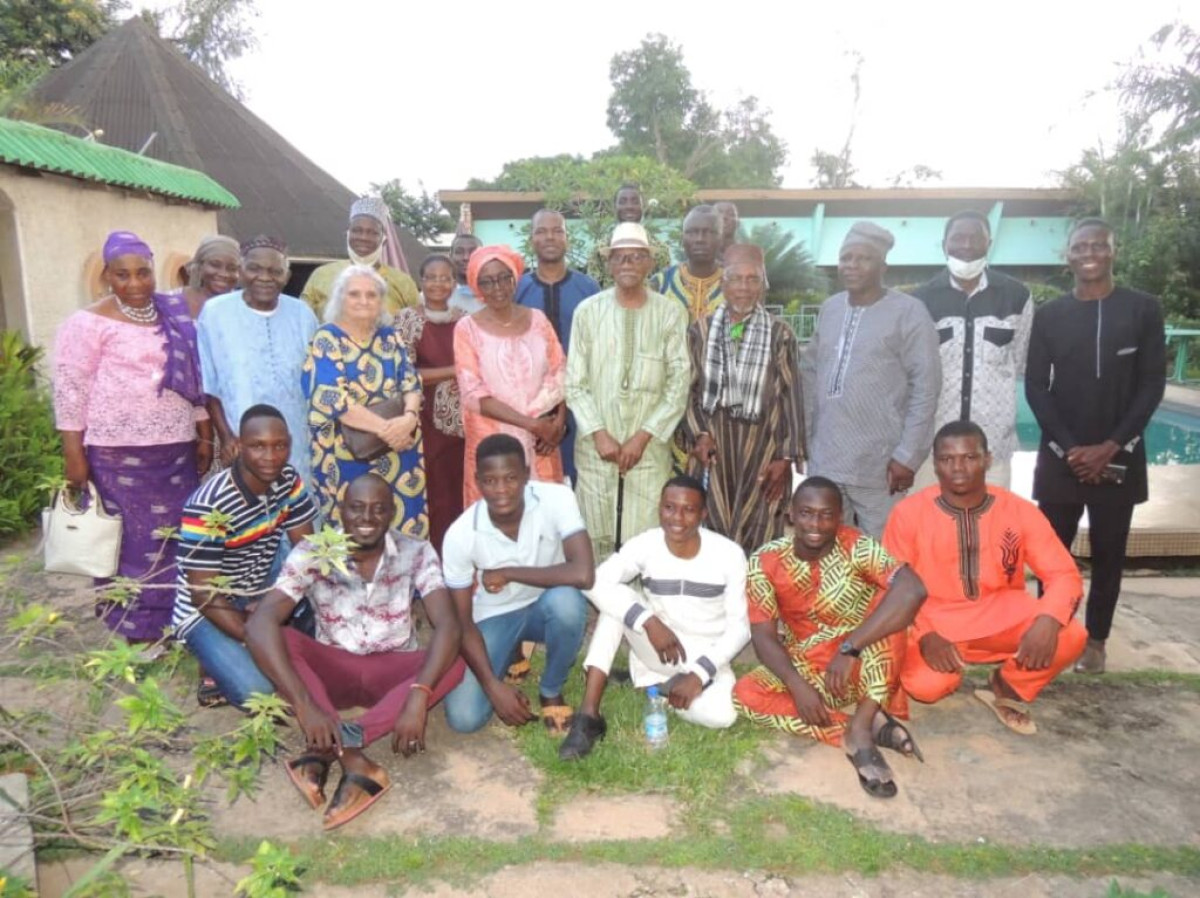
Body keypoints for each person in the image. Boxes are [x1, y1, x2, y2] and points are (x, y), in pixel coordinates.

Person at [245, 473, 465, 830]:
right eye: (357, 508)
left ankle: (340, 742)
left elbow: (449, 625)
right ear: (341, 511)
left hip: (391, 670)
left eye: (379, 510)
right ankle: (356, 763)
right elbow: (260, 623)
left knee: (455, 656)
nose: (367, 518)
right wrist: (305, 707)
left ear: (392, 513)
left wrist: (418, 696)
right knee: (280, 639)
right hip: (334, 671)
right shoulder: (314, 551)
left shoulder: (415, 550)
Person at [53, 230, 211, 643]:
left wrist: (205, 434)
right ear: (107, 276)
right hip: (115, 455)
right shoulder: (86, 323)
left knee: (178, 538)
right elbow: (70, 394)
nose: (136, 284)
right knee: (128, 543)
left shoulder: (174, 315)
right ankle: (134, 633)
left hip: (176, 450)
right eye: (123, 275)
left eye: (144, 273)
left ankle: (177, 624)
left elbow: (192, 380)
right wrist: (75, 457)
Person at [884, 421, 1088, 734]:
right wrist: (925, 634)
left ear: (988, 459)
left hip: (1002, 613)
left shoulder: (1018, 510)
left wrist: (1048, 619)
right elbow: (893, 583)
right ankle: (946, 667)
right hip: (936, 621)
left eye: (969, 457)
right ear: (935, 463)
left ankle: (1007, 686)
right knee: (927, 687)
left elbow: (1063, 574)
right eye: (947, 459)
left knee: (1070, 635)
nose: (958, 468)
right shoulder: (908, 513)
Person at [1026, 219, 1166, 674]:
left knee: (1109, 554)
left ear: (1113, 251)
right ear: (1068, 255)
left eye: (1099, 245)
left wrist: (1111, 445)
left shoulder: (1143, 309)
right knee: (1051, 557)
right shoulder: (1049, 315)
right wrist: (1070, 449)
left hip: (1119, 458)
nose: (1090, 252)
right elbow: (1035, 388)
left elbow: (1151, 386)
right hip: (1060, 458)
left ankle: (1096, 641)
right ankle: (1053, 634)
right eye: (1080, 246)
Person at [733, 477, 927, 799]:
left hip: (860, 664)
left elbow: (913, 590)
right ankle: (851, 729)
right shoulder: (765, 561)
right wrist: (797, 686)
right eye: (807, 513)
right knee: (745, 694)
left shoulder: (856, 546)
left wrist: (851, 648)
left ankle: (863, 728)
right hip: (810, 669)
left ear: (840, 518)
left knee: (890, 616)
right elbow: (764, 637)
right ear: (790, 514)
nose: (816, 524)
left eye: (826, 515)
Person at [560, 476, 749, 760]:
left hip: (705, 655)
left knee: (723, 716)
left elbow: (741, 629)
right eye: (669, 508)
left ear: (703, 514)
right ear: (659, 508)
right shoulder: (646, 544)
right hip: (660, 645)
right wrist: (647, 620)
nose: (678, 518)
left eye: (689, 510)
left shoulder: (729, 554)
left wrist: (699, 674)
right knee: (617, 605)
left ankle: (658, 689)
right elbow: (594, 581)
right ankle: (588, 717)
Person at [441, 435, 594, 734]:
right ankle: (511, 653)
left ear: (526, 473)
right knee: (464, 718)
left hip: (546, 605)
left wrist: (509, 573)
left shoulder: (558, 498)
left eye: (511, 478)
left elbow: (583, 574)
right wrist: (492, 686)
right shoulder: (460, 534)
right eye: (490, 480)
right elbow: (461, 622)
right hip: (495, 615)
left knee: (568, 603)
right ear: (478, 480)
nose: (501, 490)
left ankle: (550, 688)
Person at [800, 221, 941, 537]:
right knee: (830, 550)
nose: (851, 265)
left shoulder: (910, 313)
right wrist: (804, 440)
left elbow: (926, 387)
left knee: (885, 554)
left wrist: (908, 456)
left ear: (883, 266)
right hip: (827, 459)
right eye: (845, 258)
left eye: (862, 258)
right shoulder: (830, 309)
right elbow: (809, 373)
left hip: (881, 464)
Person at [172, 405, 318, 708]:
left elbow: (306, 551)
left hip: (259, 586)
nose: (271, 457)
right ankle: (212, 660)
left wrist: (272, 603)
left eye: (280, 446)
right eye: (258, 446)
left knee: (324, 638)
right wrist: (255, 634)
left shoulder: (288, 479)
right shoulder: (209, 505)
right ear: (239, 445)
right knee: (260, 693)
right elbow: (203, 595)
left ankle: (257, 637)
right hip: (206, 608)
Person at [566, 223, 690, 561]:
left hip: (648, 449)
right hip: (596, 448)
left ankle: (638, 606)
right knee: (595, 531)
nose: (627, 264)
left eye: (636, 257)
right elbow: (574, 382)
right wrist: (599, 433)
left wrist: (643, 436)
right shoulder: (588, 312)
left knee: (645, 534)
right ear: (609, 264)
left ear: (649, 263)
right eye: (620, 257)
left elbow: (679, 382)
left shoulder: (669, 313)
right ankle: (602, 606)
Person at [685, 244, 804, 554]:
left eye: (753, 279)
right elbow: (689, 390)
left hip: (763, 453)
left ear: (764, 284)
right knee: (709, 535)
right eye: (735, 279)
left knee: (762, 536)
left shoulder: (781, 334)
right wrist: (698, 434)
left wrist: (786, 458)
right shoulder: (700, 331)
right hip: (714, 451)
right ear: (722, 284)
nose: (743, 288)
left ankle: (757, 601)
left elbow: (792, 396)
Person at [303, 264, 428, 538]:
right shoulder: (327, 337)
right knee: (352, 528)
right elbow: (333, 399)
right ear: (340, 298)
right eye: (354, 294)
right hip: (347, 454)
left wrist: (408, 419)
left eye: (371, 295)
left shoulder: (389, 336)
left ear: (381, 301)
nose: (364, 301)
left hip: (399, 449)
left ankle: (400, 578)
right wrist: (389, 431)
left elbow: (411, 381)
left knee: (400, 522)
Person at [911, 211, 1032, 490]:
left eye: (975, 238)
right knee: (932, 530)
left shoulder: (1016, 296)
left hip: (992, 450)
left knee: (989, 530)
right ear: (944, 244)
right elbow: (912, 373)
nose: (966, 245)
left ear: (988, 243)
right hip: (932, 450)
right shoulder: (920, 300)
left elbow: (1020, 361)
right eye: (958, 238)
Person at [197, 236, 319, 488]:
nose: (265, 277)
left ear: (286, 276)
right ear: (240, 271)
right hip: (243, 444)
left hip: (297, 440)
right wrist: (227, 436)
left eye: (275, 271)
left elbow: (317, 380)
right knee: (249, 516)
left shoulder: (302, 314)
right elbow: (211, 385)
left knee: (298, 511)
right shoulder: (216, 312)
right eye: (255, 268)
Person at [455, 244, 568, 506]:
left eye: (504, 278)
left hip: (542, 442)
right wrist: (532, 425)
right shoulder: (466, 329)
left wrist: (556, 426)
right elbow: (473, 394)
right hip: (493, 445)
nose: (498, 288)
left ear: (515, 278)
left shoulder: (538, 319)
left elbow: (560, 372)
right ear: (476, 286)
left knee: (544, 519)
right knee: (496, 520)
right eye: (488, 281)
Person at [515, 209, 601, 483]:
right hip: (529, 407)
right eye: (541, 231)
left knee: (579, 483)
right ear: (531, 240)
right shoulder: (518, 289)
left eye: (557, 231)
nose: (550, 237)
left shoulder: (589, 289)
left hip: (583, 404)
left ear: (567, 238)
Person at [394, 254, 466, 553]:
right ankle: (430, 560)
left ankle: (459, 559)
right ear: (420, 282)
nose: (438, 283)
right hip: (421, 421)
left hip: (462, 423)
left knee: (459, 489)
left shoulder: (465, 319)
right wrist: (453, 371)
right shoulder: (407, 319)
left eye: (444, 277)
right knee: (430, 492)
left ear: (454, 282)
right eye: (431, 277)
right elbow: (403, 373)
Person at [300, 196, 419, 318]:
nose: (363, 238)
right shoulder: (321, 275)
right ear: (347, 234)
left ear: (384, 239)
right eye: (357, 230)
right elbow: (302, 322)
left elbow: (416, 323)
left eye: (372, 233)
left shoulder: (403, 282)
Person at [649, 206, 724, 324]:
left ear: (721, 238)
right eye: (692, 232)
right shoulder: (660, 284)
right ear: (682, 238)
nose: (700, 239)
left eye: (708, 232)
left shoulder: (736, 283)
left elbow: (742, 328)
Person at [178, 235, 240, 320]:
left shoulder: (244, 308)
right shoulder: (169, 301)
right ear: (199, 266)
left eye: (232, 268)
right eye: (215, 265)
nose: (223, 274)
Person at [449, 232, 484, 314]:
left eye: (472, 252)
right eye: (459, 252)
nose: (466, 257)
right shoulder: (437, 295)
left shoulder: (494, 294)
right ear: (450, 256)